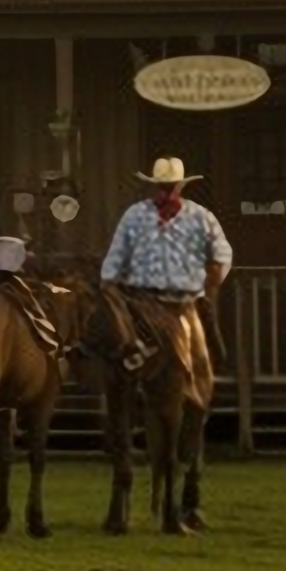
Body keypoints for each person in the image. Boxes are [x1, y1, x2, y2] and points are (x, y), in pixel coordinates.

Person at [98, 155, 231, 394]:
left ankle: (201, 390)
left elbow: (222, 253)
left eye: (171, 188)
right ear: (152, 187)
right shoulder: (134, 216)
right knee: (123, 352)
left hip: (185, 303)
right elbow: (116, 256)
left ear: (180, 187)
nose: (167, 194)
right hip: (142, 303)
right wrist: (110, 282)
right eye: (162, 188)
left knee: (200, 368)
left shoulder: (201, 217)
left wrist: (211, 282)